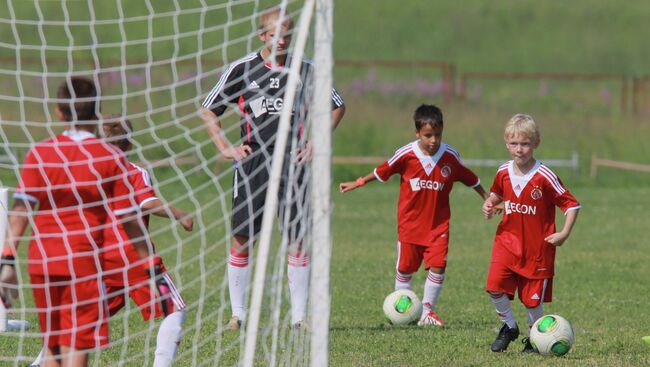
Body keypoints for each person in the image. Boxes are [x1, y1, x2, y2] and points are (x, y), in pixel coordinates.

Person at [200, 6, 345, 330]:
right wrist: (225, 147)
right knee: (242, 237)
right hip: (252, 164)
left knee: (297, 238)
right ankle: (237, 315)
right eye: (276, 35)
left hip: (293, 163)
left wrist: (317, 143)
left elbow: (336, 106)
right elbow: (209, 110)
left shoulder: (306, 69)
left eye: (288, 35)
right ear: (262, 35)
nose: (283, 41)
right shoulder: (242, 69)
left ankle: (299, 317)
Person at [0, 77, 150, 367]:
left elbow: (20, 213)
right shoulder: (110, 157)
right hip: (83, 263)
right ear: (95, 114)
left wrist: (7, 260)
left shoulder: (40, 153)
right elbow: (129, 220)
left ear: (58, 112)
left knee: (54, 347)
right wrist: (151, 266)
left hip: (43, 263)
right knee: (76, 349)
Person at [27, 116, 193, 367]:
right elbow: (146, 202)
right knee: (175, 309)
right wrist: (180, 214)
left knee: (79, 320)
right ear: (128, 146)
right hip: (132, 255)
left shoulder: (84, 173)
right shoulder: (133, 171)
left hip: (95, 256)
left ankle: (39, 364)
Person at [339, 104, 490, 326]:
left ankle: (427, 311)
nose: (433, 140)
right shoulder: (406, 155)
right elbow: (383, 170)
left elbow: (471, 179)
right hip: (409, 225)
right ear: (417, 132)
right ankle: (399, 310)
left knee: (438, 265)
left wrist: (487, 197)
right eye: (428, 135)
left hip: (438, 226)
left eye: (437, 135)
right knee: (405, 269)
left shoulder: (450, 156)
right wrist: (359, 182)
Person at [482, 114, 580, 352]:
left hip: (537, 250)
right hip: (506, 242)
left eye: (525, 144)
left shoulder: (544, 176)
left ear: (536, 143)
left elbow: (572, 205)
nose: (519, 149)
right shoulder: (503, 171)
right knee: (494, 287)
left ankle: (535, 340)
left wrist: (564, 233)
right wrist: (490, 203)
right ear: (507, 143)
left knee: (531, 302)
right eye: (514, 144)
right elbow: (497, 193)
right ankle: (509, 326)